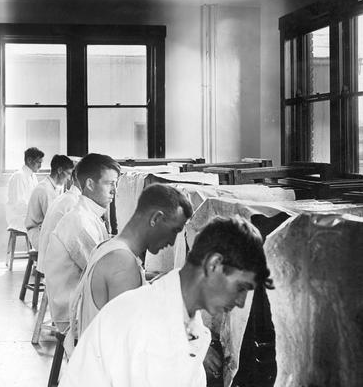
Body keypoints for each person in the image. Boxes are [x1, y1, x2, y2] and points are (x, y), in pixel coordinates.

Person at [59, 216, 274, 387]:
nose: (241, 302)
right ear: (214, 264)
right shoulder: (147, 324)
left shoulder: (187, 321)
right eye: (241, 288)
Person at [70, 183, 193, 341]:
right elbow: (129, 344)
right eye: (174, 230)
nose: (172, 241)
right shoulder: (122, 262)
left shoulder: (108, 247)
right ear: (156, 218)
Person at [44, 153, 120, 331]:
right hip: (74, 314)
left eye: (116, 184)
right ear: (90, 184)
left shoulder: (88, 214)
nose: (114, 191)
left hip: (83, 303)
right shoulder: (79, 222)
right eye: (109, 183)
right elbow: (106, 274)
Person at [36, 169, 80, 274]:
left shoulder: (65, 197)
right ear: (89, 182)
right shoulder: (73, 202)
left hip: (46, 260)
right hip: (54, 266)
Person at [25, 155, 74, 250]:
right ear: (59, 170)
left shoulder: (53, 187)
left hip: (45, 229)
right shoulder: (45, 190)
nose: (69, 178)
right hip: (38, 234)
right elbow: (52, 220)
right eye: (68, 174)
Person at [5, 147, 44, 233]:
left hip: (28, 214)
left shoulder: (33, 176)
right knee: (46, 225)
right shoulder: (18, 176)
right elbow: (19, 204)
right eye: (38, 162)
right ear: (29, 160)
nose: (40, 166)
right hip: (18, 217)